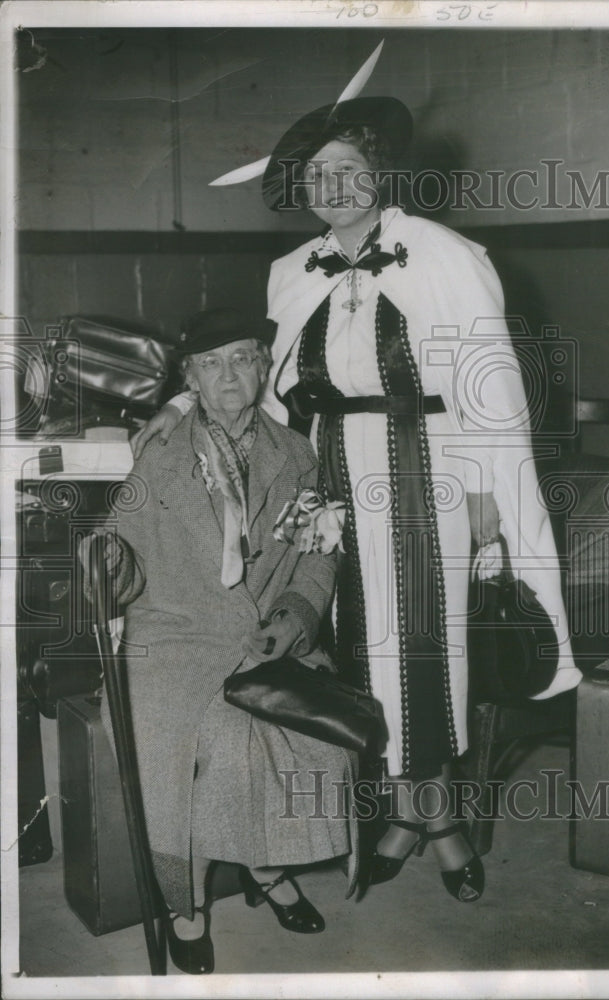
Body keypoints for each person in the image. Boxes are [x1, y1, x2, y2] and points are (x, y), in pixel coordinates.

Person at [131, 96, 582, 904]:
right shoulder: (290, 272)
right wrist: (174, 404)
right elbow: (254, 386)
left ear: (380, 175)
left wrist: (485, 491)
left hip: (428, 472)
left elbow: (490, 380)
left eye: (348, 170)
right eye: (317, 175)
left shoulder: (443, 253)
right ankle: (394, 814)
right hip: (327, 473)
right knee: (343, 651)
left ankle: (432, 814)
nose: (333, 186)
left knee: (421, 645)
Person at [85, 309, 354, 975]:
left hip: (262, 634)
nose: (229, 374)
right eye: (212, 364)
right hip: (170, 633)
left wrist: (296, 612)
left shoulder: (297, 453)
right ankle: (185, 902)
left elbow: (321, 552)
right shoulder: (161, 451)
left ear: (264, 367)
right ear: (190, 379)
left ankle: (265, 865)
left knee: (280, 737)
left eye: (242, 358)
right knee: (173, 748)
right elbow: (124, 548)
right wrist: (108, 561)